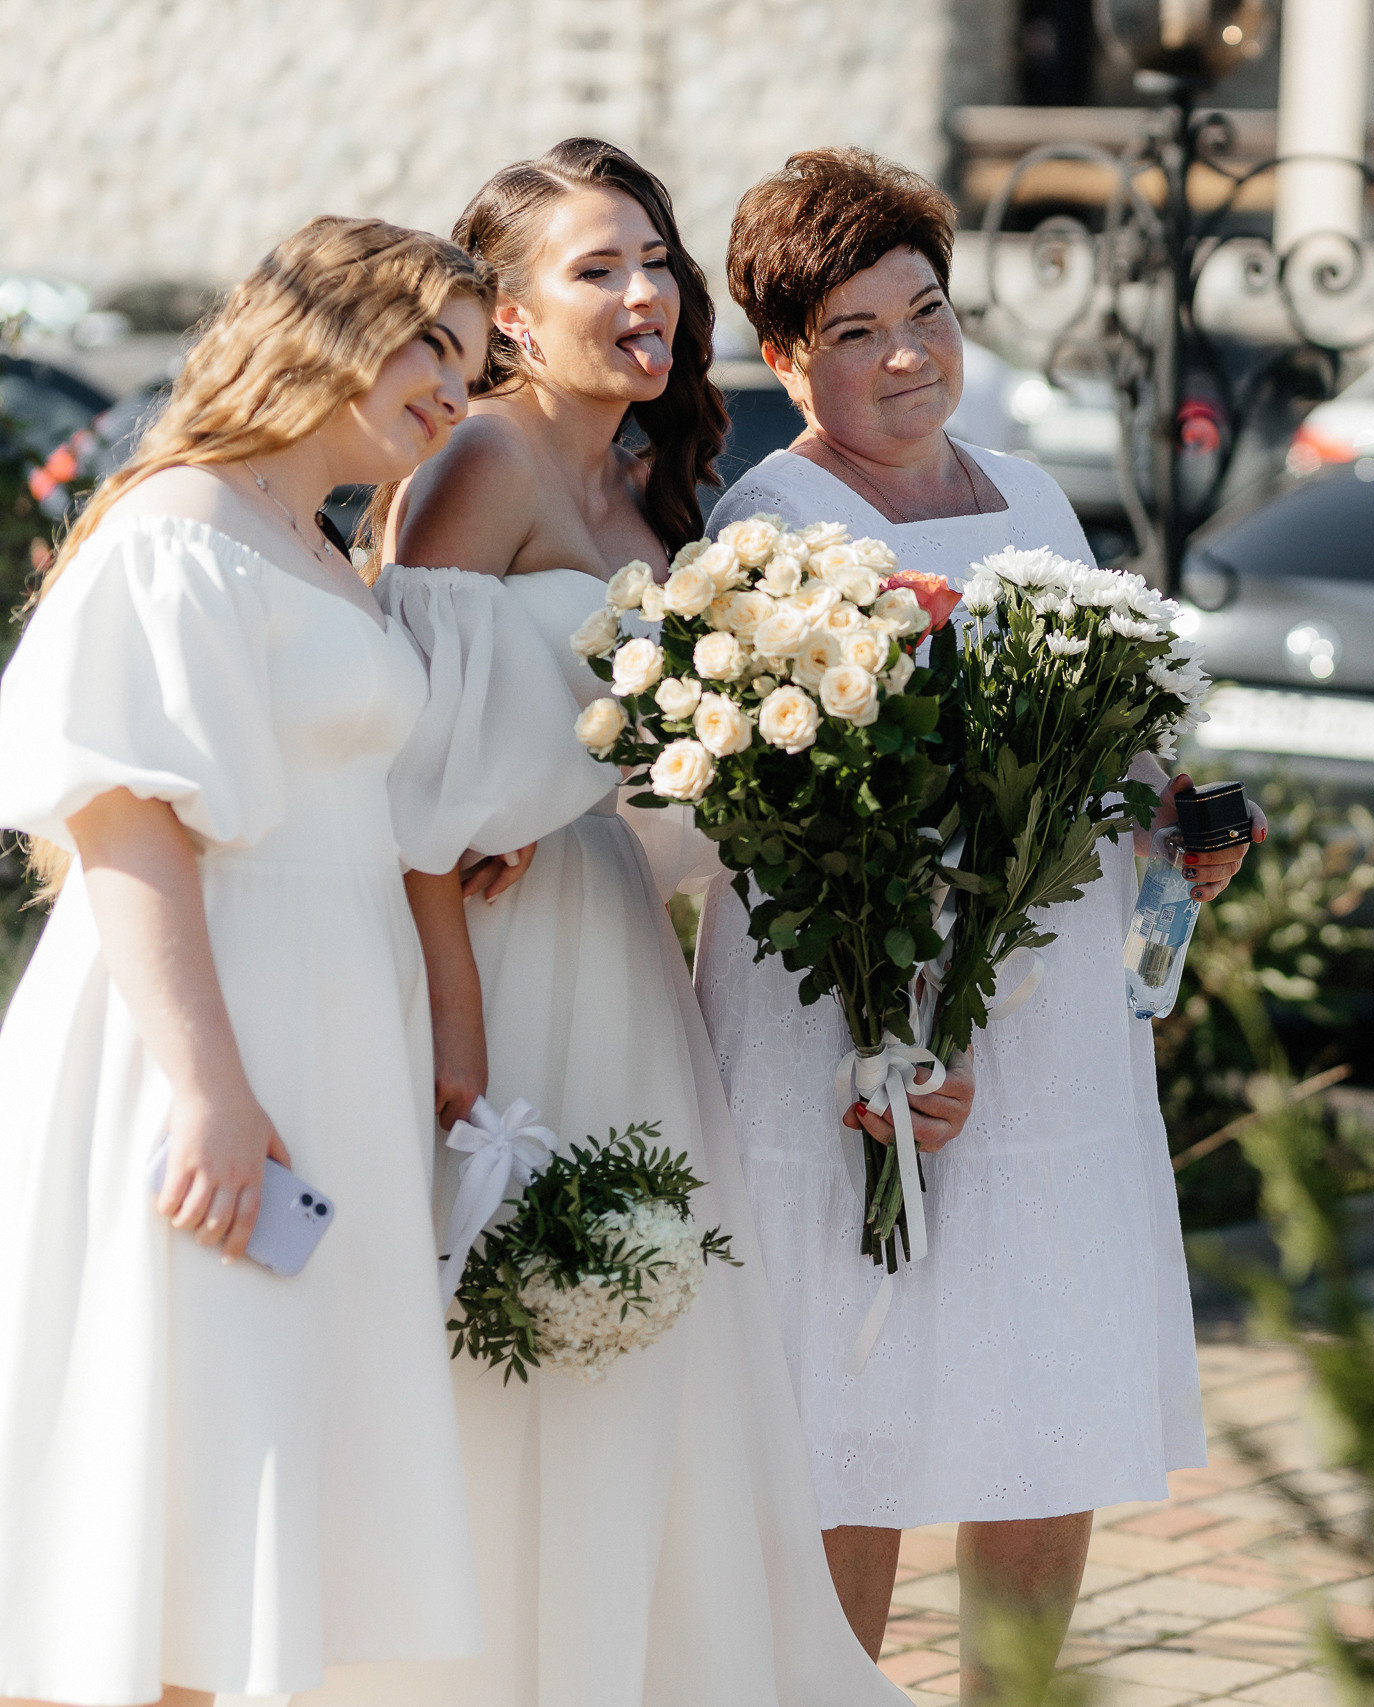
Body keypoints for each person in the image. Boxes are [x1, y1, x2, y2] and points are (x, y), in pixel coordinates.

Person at [307, 140, 895, 1707]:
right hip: (493, 962)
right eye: (597, 269)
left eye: (656, 260)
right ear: (505, 314)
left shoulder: (641, 479)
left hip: (616, 932)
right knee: (514, 1315)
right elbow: (402, 757)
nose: (645, 294)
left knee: (645, 1309)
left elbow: (612, 746)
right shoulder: (482, 463)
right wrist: (456, 1025)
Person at [693, 146, 1260, 1695]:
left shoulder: (1035, 494)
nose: (906, 355)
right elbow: (762, 816)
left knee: (1045, 1377)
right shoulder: (772, 521)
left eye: (926, 311)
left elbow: (1109, 743)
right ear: (785, 354)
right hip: (860, 1015)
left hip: (1050, 1011)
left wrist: (1175, 823)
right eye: (859, 328)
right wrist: (890, 1016)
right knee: (852, 1399)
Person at [0, 218, 491, 1707]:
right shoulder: (177, 527)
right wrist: (209, 1086)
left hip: (330, 1026)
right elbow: (121, 812)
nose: (452, 393)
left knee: (242, 1476)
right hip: (209, 1031)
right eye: (430, 346)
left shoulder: (320, 545)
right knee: (168, 1457)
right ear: (328, 326)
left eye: (469, 367)